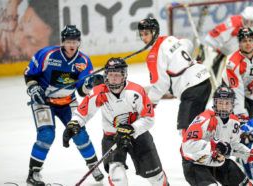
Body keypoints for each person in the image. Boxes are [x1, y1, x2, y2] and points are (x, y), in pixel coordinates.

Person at [63, 57, 169, 185]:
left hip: (138, 136)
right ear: (106, 75)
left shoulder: (136, 92)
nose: (113, 78)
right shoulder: (99, 92)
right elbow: (82, 113)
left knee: (156, 178)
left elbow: (149, 118)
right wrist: (74, 123)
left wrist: (132, 129)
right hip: (112, 138)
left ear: (124, 76)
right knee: (118, 177)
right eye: (111, 74)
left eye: (117, 75)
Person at [24, 25, 104, 185]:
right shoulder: (46, 54)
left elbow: (81, 91)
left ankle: (93, 166)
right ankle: (33, 173)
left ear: (79, 42)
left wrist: (90, 84)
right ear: (62, 41)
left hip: (68, 101)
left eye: (75, 41)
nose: (71, 44)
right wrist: (33, 88)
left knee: (79, 133)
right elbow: (30, 74)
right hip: (44, 101)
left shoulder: (83, 62)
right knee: (46, 134)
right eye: (68, 41)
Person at [181, 85, 253, 186]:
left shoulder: (234, 122)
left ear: (232, 104)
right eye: (220, 103)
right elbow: (187, 145)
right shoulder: (204, 119)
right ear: (215, 103)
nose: (224, 106)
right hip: (196, 163)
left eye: (227, 103)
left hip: (218, 162)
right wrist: (214, 146)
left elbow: (234, 146)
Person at [137, 17, 212, 135]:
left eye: (146, 34)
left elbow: (161, 85)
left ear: (154, 32)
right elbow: (188, 43)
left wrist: (149, 106)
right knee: (198, 128)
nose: (143, 38)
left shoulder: (153, 56)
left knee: (186, 133)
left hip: (191, 90)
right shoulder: (170, 39)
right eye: (141, 34)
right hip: (205, 82)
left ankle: (205, 151)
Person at [204, 6, 253, 80]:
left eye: (252, 22)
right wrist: (213, 53)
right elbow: (210, 40)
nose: (249, 25)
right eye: (246, 21)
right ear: (242, 18)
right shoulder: (232, 24)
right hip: (226, 58)